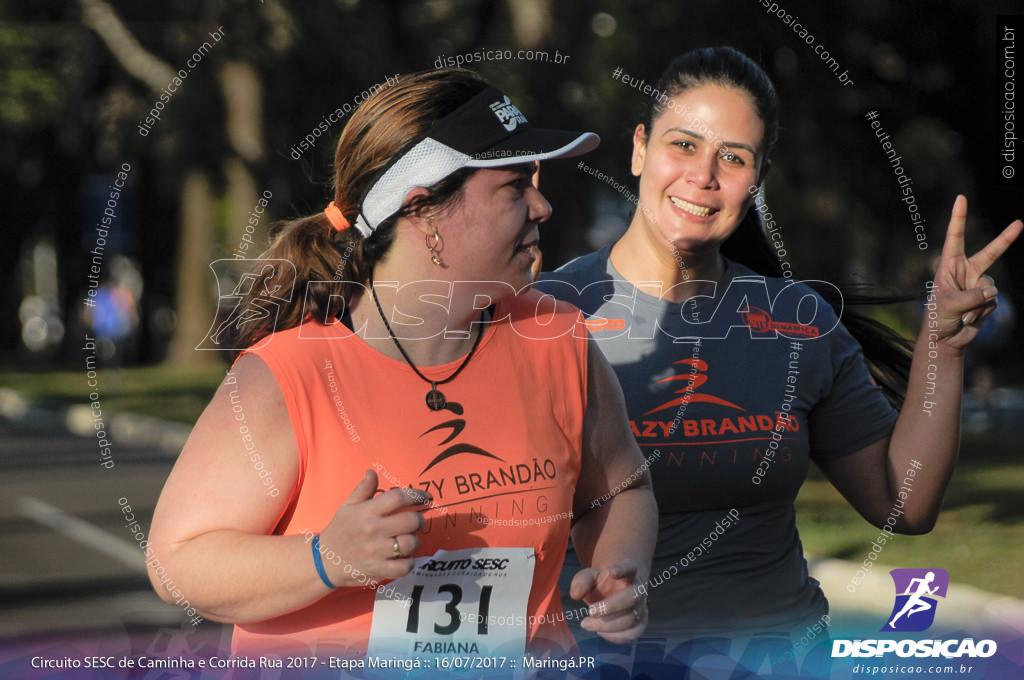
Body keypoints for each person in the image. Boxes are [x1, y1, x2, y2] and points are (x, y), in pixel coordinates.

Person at [146, 68, 657, 660]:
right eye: (515, 187)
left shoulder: (556, 338)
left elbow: (622, 487)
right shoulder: (290, 373)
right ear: (424, 212)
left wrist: (621, 573)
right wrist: (324, 559)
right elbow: (177, 562)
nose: (542, 206)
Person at [540, 47, 1021, 643]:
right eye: (683, 145)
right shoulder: (541, 316)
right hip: (592, 658)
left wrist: (941, 350)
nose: (703, 176)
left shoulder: (799, 322)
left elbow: (905, 504)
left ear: (759, 177)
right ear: (640, 148)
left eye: (733, 158)